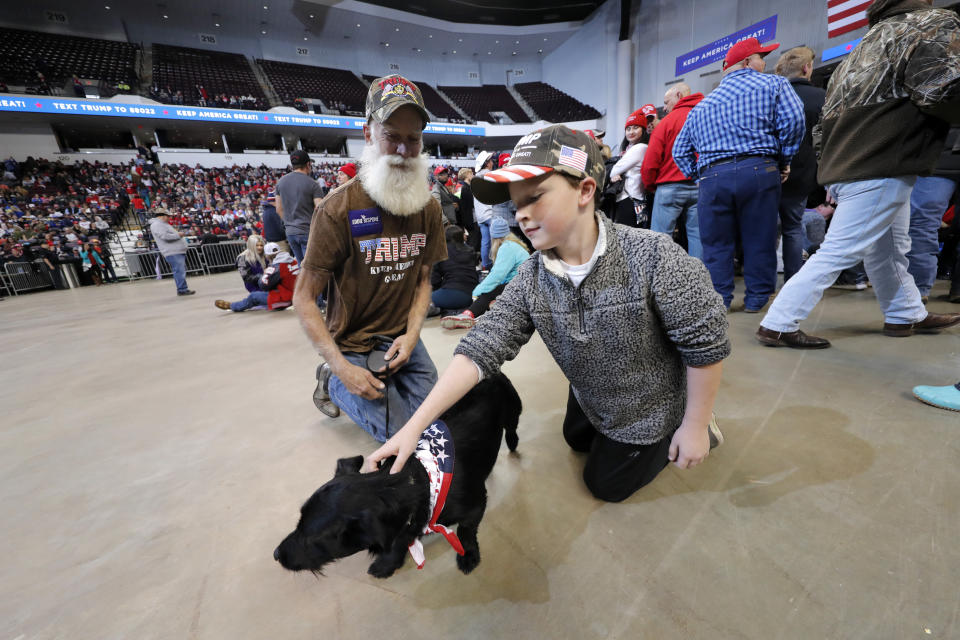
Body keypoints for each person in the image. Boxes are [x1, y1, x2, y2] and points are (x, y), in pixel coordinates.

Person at [363, 125, 730, 503]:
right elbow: (481, 347)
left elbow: (706, 346)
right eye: (516, 203)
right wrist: (415, 429)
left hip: (648, 407)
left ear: (585, 191)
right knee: (575, 439)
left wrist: (695, 425)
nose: (521, 215)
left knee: (605, 486)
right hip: (593, 391)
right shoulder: (531, 277)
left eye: (535, 197)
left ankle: (683, 420)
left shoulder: (655, 256)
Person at [758, 0, 960, 348]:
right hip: (883, 158)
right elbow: (938, 90)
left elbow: (824, 120)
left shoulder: (865, 44)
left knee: (891, 247)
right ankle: (778, 322)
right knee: (841, 250)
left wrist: (830, 166)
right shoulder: (930, 23)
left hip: (852, 161)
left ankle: (905, 313)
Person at [294, 74, 447, 440]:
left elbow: (424, 282)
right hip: (352, 344)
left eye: (413, 139)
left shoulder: (428, 208)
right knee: (400, 435)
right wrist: (341, 366)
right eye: (392, 135)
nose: (403, 150)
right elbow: (303, 297)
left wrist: (412, 337)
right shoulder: (338, 208)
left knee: (437, 423)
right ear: (368, 135)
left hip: (400, 338)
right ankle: (331, 382)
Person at [673, 37, 805, 313]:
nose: (764, 62)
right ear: (746, 62)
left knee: (716, 244)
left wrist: (701, 177)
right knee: (760, 238)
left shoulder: (702, 106)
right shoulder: (774, 84)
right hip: (758, 170)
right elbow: (794, 121)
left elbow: (679, 151)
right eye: (761, 57)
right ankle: (756, 299)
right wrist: (783, 160)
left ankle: (719, 299)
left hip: (713, 178)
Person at [774, 46, 826, 283]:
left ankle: (763, 288)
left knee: (766, 231)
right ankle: (792, 283)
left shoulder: (771, 96)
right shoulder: (822, 98)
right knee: (793, 229)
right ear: (806, 68)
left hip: (770, 172)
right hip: (803, 175)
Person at [641, 82, 704, 258]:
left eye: (666, 102)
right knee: (697, 237)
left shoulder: (667, 122)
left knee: (659, 241)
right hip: (700, 186)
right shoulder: (706, 115)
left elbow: (651, 161)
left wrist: (651, 185)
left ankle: (660, 282)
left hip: (669, 187)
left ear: (679, 96)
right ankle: (697, 282)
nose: (665, 109)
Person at [440, 217, 529, 329]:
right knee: (492, 290)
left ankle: (468, 315)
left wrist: (478, 290)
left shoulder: (507, 247)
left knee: (488, 292)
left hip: (521, 288)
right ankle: (481, 312)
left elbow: (497, 275)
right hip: (525, 287)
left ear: (494, 236)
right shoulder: (514, 245)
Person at [907, 126, 960, 303]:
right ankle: (916, 291)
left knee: (922, 223)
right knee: (922, 223)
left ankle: (916, 292)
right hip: (938, 151)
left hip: (938, 148)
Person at [215, 242, 299, 312]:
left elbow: (264, 285)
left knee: (253, 296)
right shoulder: (294, 261)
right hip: (298, 293)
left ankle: (232, 306)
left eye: (261, 245)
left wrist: (263, 275)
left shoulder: (277, 267)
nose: (259, 248)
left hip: (286, 298)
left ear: (267, 255)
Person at [275, 149, 324, 264]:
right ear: (308, 164)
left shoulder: (280, 182)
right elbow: (320, 209)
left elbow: (278, 209)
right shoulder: (313, 184)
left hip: (290, 232)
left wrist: (289, 223)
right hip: (308, 232)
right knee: (314, 269)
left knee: (302, 268)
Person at [610, 109, 650, 228]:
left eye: (635, 128)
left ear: (643, 130)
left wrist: (614, 173)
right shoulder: (628, 149)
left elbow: (614, 170)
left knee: (626, 241)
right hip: (631, 200)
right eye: (628, 129)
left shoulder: (640, 148)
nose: (631, 132)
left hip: (630, 200)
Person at [431, 225, 479, 313]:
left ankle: (437, 309)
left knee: (419, 301)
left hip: (453, 292)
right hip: (473, 293)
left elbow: (434, 280)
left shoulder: (442, 253)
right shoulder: (470, 250)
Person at [149, 208, 195, 296]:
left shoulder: (162, 224)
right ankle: (182, 289)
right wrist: (178, 235)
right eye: (168, 216)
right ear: (162, 216)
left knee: (179, 271)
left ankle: (182, 288)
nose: (169, 218)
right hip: (172, 251)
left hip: (175, 251)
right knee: (179, 271)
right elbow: (165, 236)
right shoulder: (157, 225)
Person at [473, 151, 496, 268]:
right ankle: (497, 264)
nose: (492, 163)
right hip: (490, 214)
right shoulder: (490, 175)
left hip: (480, 216)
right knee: (497, 241)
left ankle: (485, 265)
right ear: (487, 163)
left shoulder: (475, 178)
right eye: (491, 161)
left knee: (485, 242)